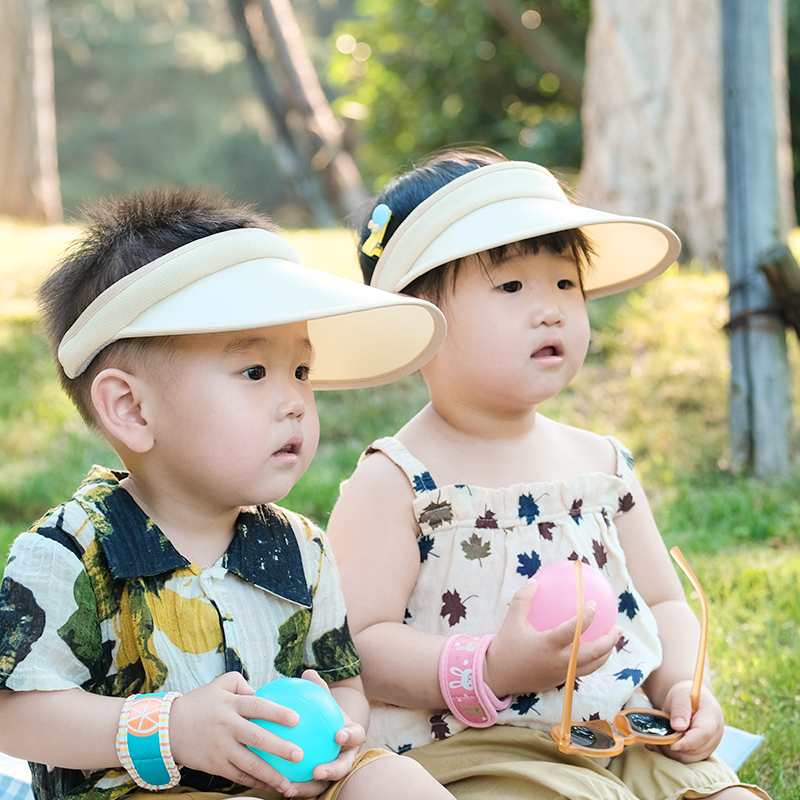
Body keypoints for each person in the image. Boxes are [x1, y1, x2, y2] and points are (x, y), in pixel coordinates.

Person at [327, 149, 770, 800]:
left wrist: (682, 685)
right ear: (419, 324)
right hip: (478, 751)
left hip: (622, 737)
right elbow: (357, 646)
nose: (550, 309)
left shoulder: (603, 466)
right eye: (511, 287)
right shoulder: (399, 480)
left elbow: (664, 600)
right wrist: (493, 666)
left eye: (565, 284)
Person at [0, 188, 456, 800]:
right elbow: (14, 711)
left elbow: (343, 679)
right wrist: (171, 730)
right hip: (141, 792)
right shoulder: (71, 551)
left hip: (284, 785)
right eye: (253, 372)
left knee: (392, 778)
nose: (295, 400)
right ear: (132, 408)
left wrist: (338, 728)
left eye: (301, 371)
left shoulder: (300, 548)